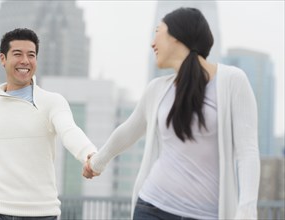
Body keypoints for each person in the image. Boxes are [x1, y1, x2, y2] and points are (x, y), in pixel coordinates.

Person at [83, 7, 260, 220]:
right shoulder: (157, 89)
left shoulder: (232, 81)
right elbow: (128, 131)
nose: (152, 43)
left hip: (206, 215)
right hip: (152, 208)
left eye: (158, 31)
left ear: (176, 37)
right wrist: (97, 162)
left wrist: (247, 212)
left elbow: (247, 151)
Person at [0, 28, 97, 220]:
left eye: (31, 55)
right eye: (17, 54)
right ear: (3, 59)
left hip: (40, 212)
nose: (25, 61)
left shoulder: (52, 102)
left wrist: (90, 155)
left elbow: (69, 130)